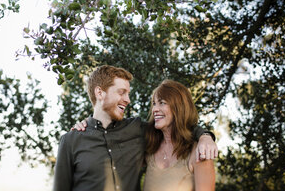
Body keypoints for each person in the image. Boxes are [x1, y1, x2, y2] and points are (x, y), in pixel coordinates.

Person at [53, 65, 217, 191]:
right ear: (100, 93)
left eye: (128, 93)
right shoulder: (71, 140)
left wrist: (205, 136)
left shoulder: (138, 129)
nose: (127, 99)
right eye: (122, 92)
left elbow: (177, 126)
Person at [143, 79, 215, 191]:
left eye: (162, 103)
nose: (155, 109)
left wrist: (206, 136)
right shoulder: (150, 148)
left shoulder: (199, 152)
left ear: (178, 107)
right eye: (154, 104)